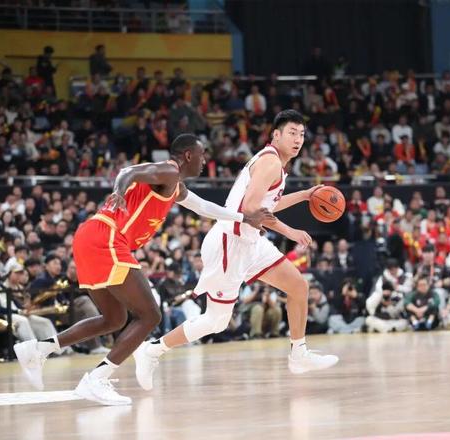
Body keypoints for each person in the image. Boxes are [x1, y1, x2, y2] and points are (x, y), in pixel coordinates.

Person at [13, 134, 271, 405]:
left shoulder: (175, 186)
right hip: (107, 238)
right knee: (150, 315)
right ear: (188, 156)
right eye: (202, 154)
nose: (205, 160)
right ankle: (97, 379)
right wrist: (119, 191)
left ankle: (38, 349)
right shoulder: (169, 171)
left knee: (114, 319)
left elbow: (203, 206)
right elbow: (128, 171)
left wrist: (244, 218)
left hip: (91, 238)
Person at [134, 110, 339, 391]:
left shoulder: (274, 163)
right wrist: (290, 232)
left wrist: (304, 195)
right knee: (216, 321)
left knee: (298, 287)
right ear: (276, 135)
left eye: (301, 135)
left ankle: (299, 354)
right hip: (230, 243)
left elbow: (267, 204)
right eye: (292, 133)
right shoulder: (270, 163)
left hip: (250, 242)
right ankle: (151, 350)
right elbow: (252, 209)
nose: (298, 140)